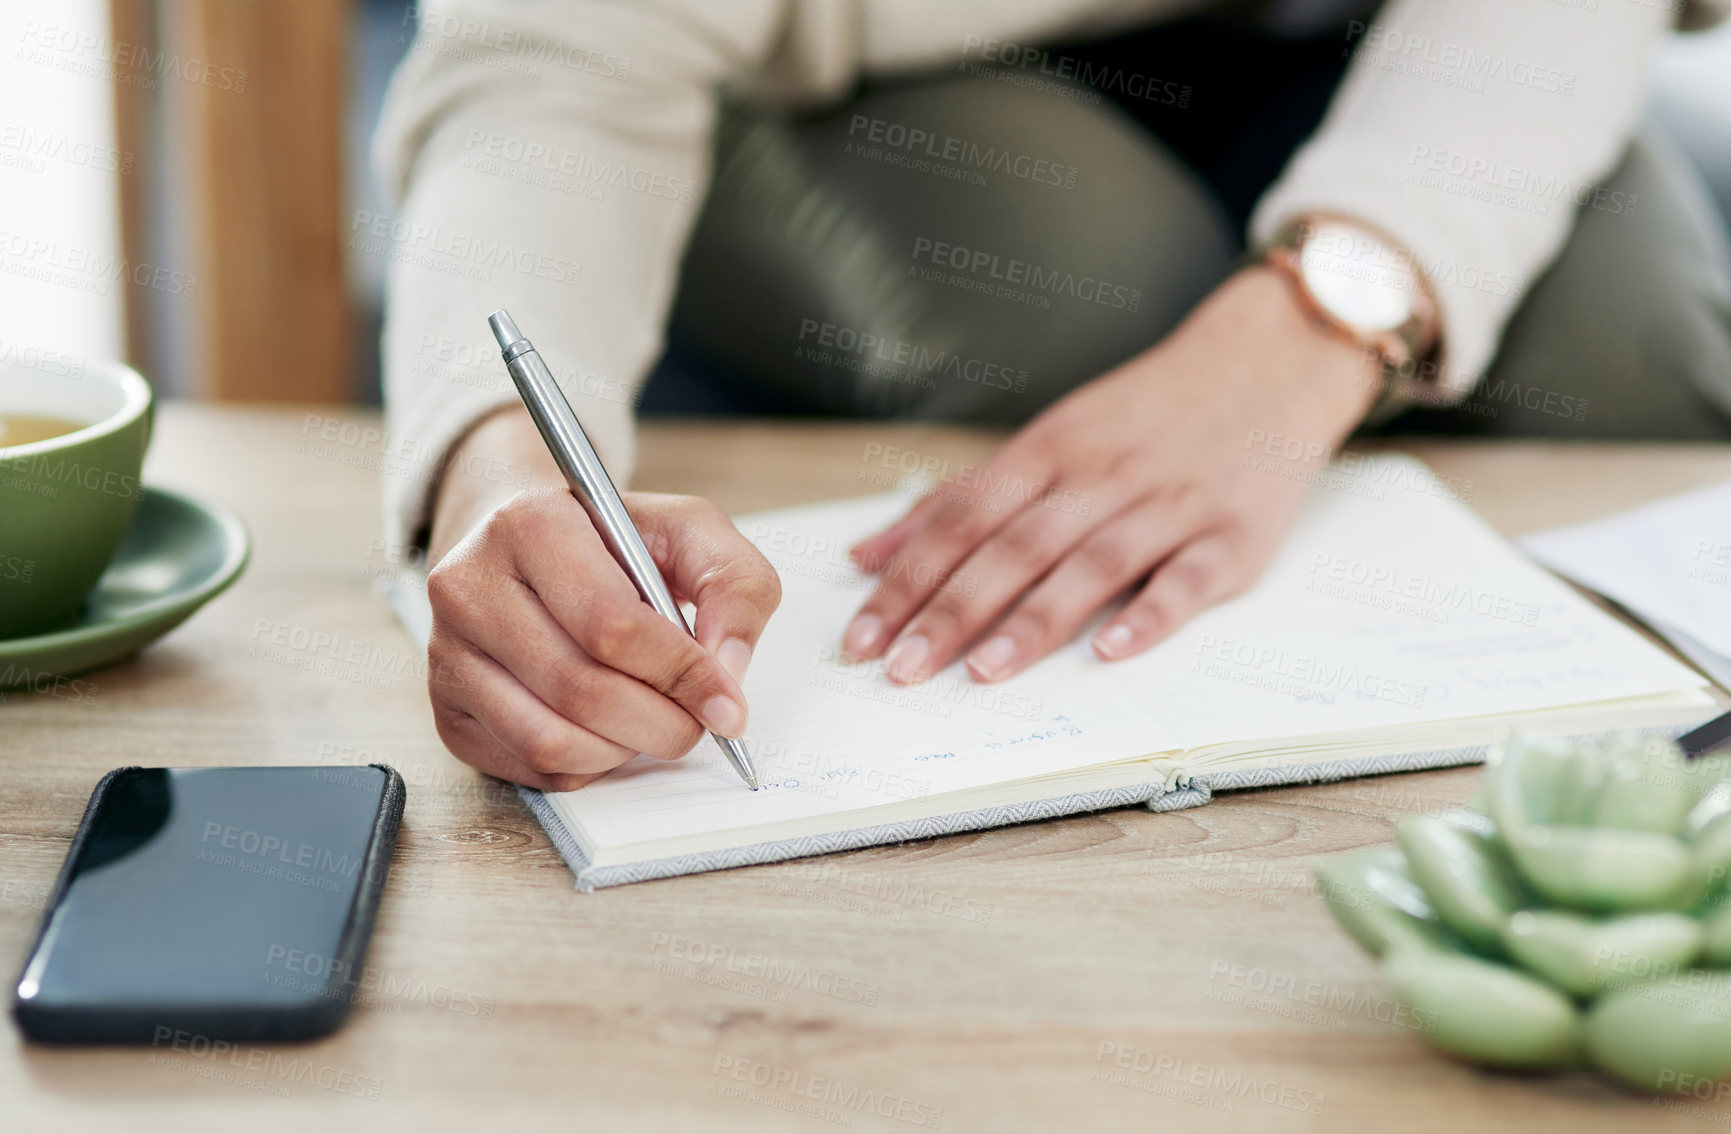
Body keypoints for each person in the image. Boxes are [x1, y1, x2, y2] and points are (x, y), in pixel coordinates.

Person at [372, 0, 1731, 792]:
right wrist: (497, 479)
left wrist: (1311, 326)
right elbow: (549, 66)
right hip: (847, 54)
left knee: (1638, 353)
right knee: (1091, 300)